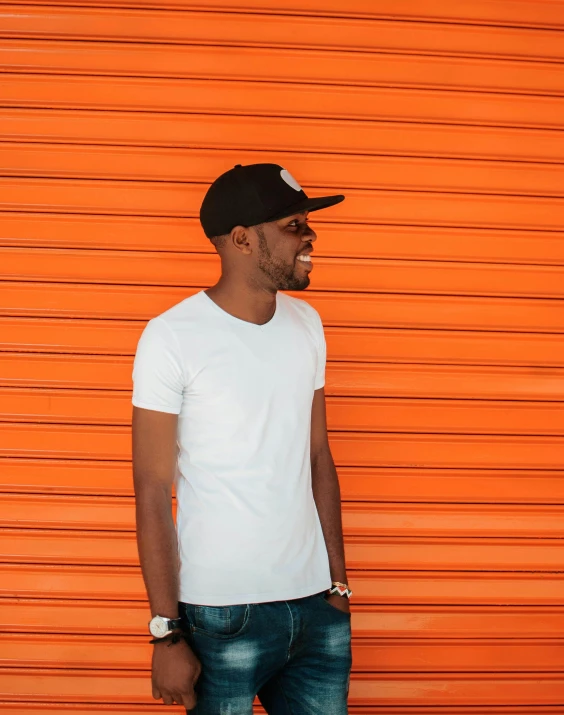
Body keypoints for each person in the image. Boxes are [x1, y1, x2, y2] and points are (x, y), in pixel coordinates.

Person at [131, 163, 352, 714]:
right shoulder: (172, 337)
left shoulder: (308, 325)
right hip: (222, 614)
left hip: (316, 607)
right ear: (242, 240)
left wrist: (338, 584)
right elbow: (152, 488)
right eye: (293, 225)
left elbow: (318, 455)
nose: (310, 236)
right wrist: (166, 632)